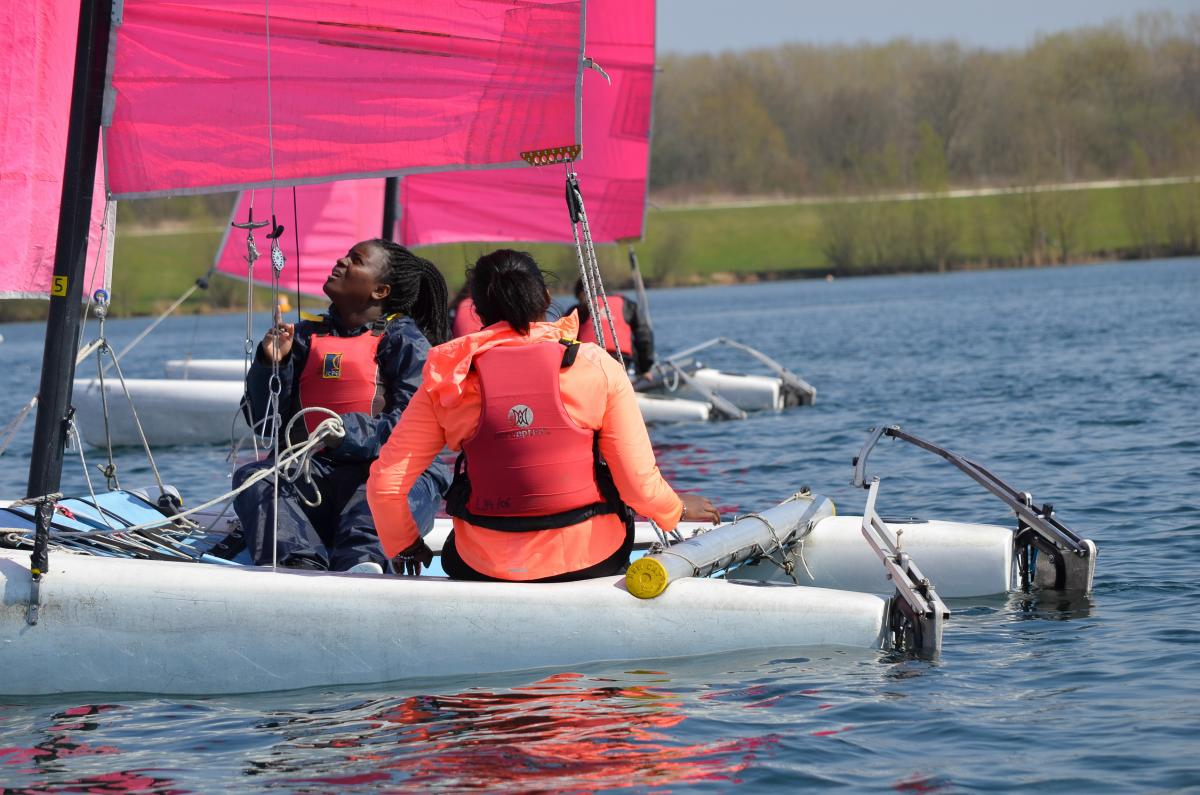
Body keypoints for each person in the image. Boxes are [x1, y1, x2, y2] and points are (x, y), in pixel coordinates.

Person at [367, 249, 721, 582]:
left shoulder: (448, 377)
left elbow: (386, 485)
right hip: (592, 559)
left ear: (477, 312)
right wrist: (675, 509)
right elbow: (637, 485)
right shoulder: (596, 365)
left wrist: (404, 544)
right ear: (547, 298)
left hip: (484, 566)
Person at [233, 239, 451, 573]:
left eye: (356, 260)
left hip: (384, 474)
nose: (342, 261)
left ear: (380, 291)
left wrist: (345, 433)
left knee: (378, 499)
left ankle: (363, 564)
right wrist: (271, 364)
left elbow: (416, 426)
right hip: (313, 477)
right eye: (346, 256)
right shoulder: (301, 338)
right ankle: (298, 563)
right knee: (255, 478)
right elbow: (264, 423)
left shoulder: (405, 342)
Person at [569, 278, 655, 380]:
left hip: (587, 364)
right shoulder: (627, 305)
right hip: (620, 361)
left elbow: (564, 342)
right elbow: (644, 337)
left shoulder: (576, 311)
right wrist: (644, 369)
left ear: (581, 294)